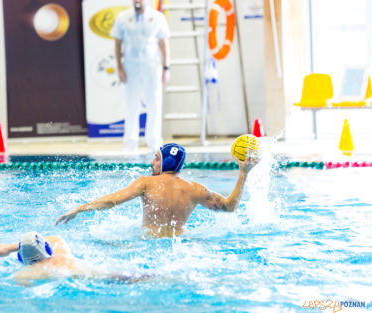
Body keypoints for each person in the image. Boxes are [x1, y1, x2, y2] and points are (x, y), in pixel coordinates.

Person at [55, 143, 259, 238]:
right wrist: (244, 173)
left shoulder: (146, 183)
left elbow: (111, 202)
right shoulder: (195, 189)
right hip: (180, 246)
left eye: (156, 158)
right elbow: (230, 207)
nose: (152, 163)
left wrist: (78, 209)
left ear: (166, 163)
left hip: (148, 244)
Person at [110, 0, 170, 152]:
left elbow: (164, 44)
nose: (138, 1)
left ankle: (154, 141)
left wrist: (166, 68)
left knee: (154, 103)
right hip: (131, 66)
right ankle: (130, 142)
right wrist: (120, 68)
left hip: (152, 65)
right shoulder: (123, 18)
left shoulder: (157, 17)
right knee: (131, 104)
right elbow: (117, 44)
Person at [0, 232, 151, 285]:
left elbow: (20, 283)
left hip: (97, 281)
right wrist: (12, 247)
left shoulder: (31, 271)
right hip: (106, 272)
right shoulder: (59, 247)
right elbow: (50, 238)